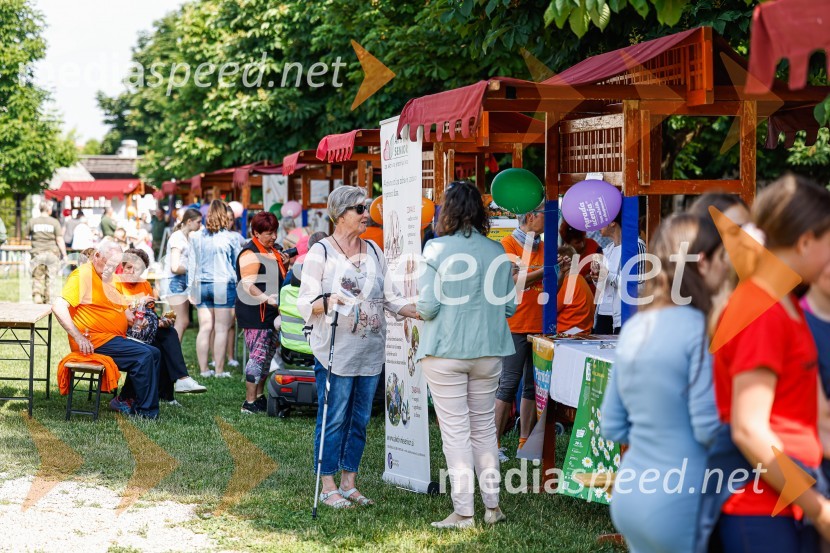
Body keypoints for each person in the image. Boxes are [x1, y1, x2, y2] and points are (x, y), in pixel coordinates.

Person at [710, 175, 830, 550]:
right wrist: (818, 510)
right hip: (761, 510)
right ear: (806, 241)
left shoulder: (784, 302)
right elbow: (749, 430)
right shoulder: (761, 310)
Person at [600, 213, 723, 553]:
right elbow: (708, 428)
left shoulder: (637, 327)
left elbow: (610, 425)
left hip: (631, 497)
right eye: (722, 258)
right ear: (702, 262)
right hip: (682, 498)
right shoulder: (700, 331)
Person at [298, 186, 418, 510]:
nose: (367, 214)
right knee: (334, 418)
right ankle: (328, 485)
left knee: (360, 420)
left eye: (365, 208)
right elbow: (304, 303)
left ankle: (349, 483)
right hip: (335, 351)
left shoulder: (375, 250)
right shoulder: (321, 252)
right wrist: (328, 301)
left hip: (370, 351)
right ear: (340, 214)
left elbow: (390, 297)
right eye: (360, 208)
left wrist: (416, 310)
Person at [416, 181, 516, 529]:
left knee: (456, 432)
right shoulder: (498, 251)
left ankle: (463, 512)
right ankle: (492, 507)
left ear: (448, 211)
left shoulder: (435, 249)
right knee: (484, 428)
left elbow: (427, 307)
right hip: (489, 350)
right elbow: (509, 308)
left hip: (445, 350)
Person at [51, 240, 161, 419]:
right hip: (94, 340)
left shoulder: (108, 277)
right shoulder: (83, 275)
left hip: (114, 337)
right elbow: (58, 306)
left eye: (115, 265)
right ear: (97, 256)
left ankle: (126, 399)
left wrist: (136, 321)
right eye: (109, 264)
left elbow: (121, 311)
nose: (112, 269)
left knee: (154, 353)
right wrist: (79, 337)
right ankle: (146, 412)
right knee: (144, 356)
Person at [117, 249, 206, 404]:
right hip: (122, 331)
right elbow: (117, 311)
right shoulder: (115, 283)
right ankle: (177, 384)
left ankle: (177, 385)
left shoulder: (144, 285)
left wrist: (160, 321)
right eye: (128, 267)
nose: (131, 272)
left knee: (168, 334)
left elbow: (148, 313)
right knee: (164, 342)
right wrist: (139, 302)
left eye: (136, 269)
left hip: (143, 330)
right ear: (122, 267)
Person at [494, 206, 544, 463]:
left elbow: (550, 284)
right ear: (531, 216)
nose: (550, 219)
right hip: (515, 324)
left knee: (532, 386)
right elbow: (513, 279)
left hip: (539, 324)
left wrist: (562, 270)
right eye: (546, 213)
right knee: (508, 383)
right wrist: (548, 270)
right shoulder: (507, 243)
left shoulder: (544, 246)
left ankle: (525, 442)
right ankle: (494, 444)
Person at [235, 212, 288, 414]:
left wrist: (285, 265)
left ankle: (258, 396)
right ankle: (248, 403)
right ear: (256, 233)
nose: (274, 237)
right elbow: (247, 285)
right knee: (257, 356)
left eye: (275, 232)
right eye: (268, 233)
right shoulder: (249, 253)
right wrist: (268, 299)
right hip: (254, 313)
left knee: (267, 357)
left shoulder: (271, 251)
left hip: (271, 313)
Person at [188, 200, 241, 378]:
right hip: (223, 284)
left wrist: (190, 289)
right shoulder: (231, 237)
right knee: (221, 329)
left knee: (205, 328)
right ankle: (219, 370)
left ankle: (203, 370)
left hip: (201, 285)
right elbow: (236, 264)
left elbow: (191, 264)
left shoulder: (195, 237)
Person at [591, 212, 647, 335]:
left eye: (602, 219)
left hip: (624, 318)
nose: (598, 224)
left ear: (612, 222)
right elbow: (606, 288)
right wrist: (597, 277)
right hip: (603, 315)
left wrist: (606, 275)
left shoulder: (636, 246)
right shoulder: (608, 249)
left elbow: (639, 286)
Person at [162, 207, 201, 341]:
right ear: (189, 221)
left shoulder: (187, 237)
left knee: (180, 321)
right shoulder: (177, 238)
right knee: (182, 321)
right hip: (174, 281)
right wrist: (192, 268)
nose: (200, 225)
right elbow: (174, 267)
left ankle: (172, 354)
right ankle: (173, 355)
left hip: (181, 281)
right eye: (198, 222)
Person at [25, 200, 67, 304]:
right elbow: (59, 239)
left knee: (38, 276)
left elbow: (26, 236)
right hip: (52, 253)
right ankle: (49, 298)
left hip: (37, 253)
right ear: (48, 209)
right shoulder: (54, 222)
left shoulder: (32, 221)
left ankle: (37, 295)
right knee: (51, 277)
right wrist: (64, 254)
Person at [556, 245, 595, 334]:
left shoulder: (570, 281)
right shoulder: (580, 279)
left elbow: (552, 307)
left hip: (567, 332)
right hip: (582, 330)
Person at [560, 221, 601, 292]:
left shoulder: (593, 245)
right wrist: (583, 280)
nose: (582, 244)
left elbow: (603, 269)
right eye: (577, 242)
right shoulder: (564, 256)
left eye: (583, 240)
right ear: (568, 243)